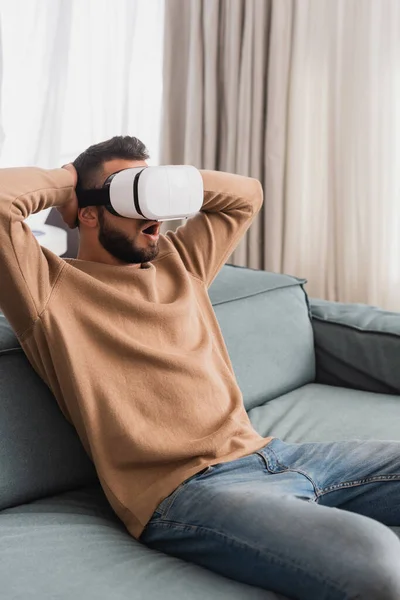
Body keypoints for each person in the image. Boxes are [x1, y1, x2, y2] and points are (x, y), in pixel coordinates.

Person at [0, 135, 399, 600]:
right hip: (189, 492)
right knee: (376, 560)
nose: (153, 211)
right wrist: (69, 180)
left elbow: (246, 195)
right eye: (129, 192)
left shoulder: (180, 262)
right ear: (88, 212)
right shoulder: (48, 288)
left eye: (151, 189)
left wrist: (156, 184)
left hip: (278, 455)